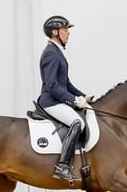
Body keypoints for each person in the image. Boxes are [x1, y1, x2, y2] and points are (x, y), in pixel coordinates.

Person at [38, 15, 91, 180]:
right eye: (65, 30)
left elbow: (66, 84)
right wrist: (74, 101)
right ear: (55, 32)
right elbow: (52, 85)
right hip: (51, 101)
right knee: (77, 122)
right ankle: (62, 166)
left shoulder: (57, 53)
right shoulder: (51, 54)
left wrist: (83, 96)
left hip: (57, 99)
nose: (68, 33)